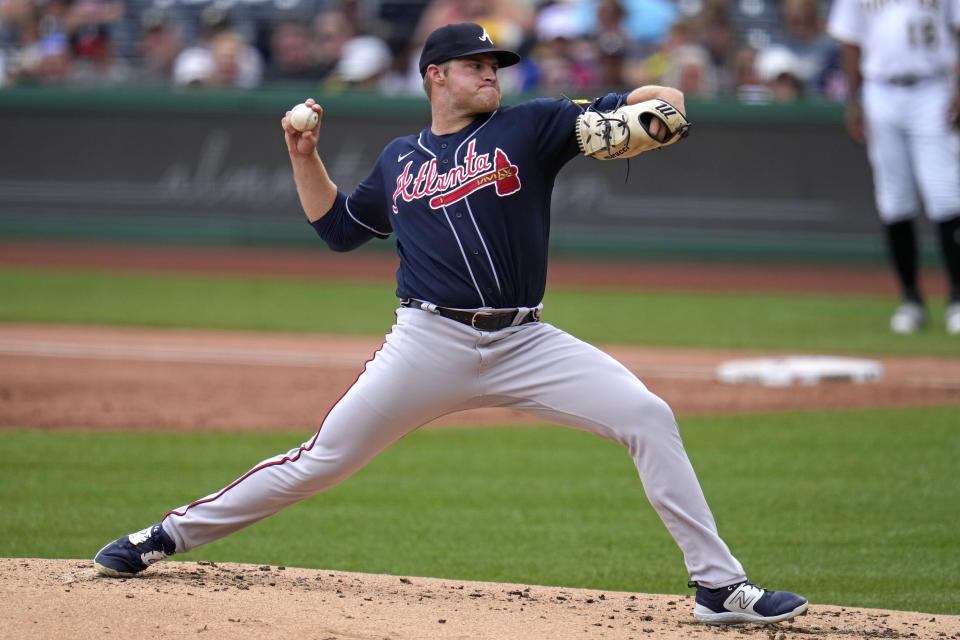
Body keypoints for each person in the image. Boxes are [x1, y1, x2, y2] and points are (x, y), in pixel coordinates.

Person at [92, 21, 809, 626]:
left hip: (526, 340)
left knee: (647, 416)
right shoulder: (400, 159)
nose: (491, 73)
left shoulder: (535, 125)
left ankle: (717, 587)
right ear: (436, 75)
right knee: (319, 461)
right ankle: (164, 535)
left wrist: (659, 107)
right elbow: (341, 229)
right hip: (427, 343)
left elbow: (653, 107)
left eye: (496, 64)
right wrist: (302, 157)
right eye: (476, 65)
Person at [827, 0, 960, 335]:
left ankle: (958, 298)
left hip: (933, 86)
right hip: (880, 89)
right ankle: (911, 300)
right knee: (894, 199)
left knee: (946, 195)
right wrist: (853, 98)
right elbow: (850, 39)